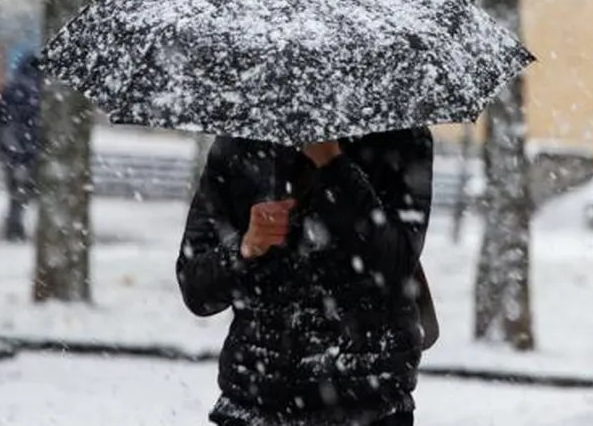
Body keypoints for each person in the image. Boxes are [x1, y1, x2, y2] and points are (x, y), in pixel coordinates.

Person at [176, 128, 434, 426]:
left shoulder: (400, 138)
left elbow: (396, 264)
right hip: (256, 399)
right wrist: (245, 247)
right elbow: (195, 289)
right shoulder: (241, 141)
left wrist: (332, 165)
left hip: (367, 402)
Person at [0, 53, 41, 242]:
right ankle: (21, 223)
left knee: (15, 190)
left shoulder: (10, 88)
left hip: (11, 147)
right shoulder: (41, 91)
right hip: (34, 149)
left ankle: (14, 225)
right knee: (29, 189)